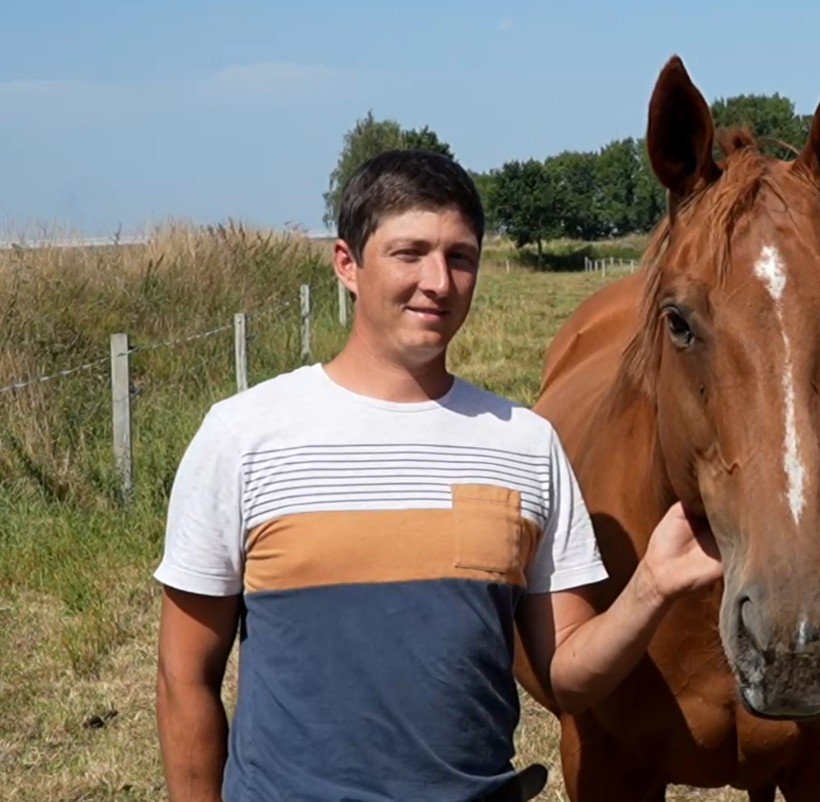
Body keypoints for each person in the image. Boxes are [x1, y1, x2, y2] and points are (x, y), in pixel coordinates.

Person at [154, 150, 722, 802]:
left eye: (460, 257)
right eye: (410, 253)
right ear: (347, 264)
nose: (439, 282)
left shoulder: (526, 443)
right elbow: (184, 677)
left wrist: (652, 586)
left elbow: (567, 675)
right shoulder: (244, 436)